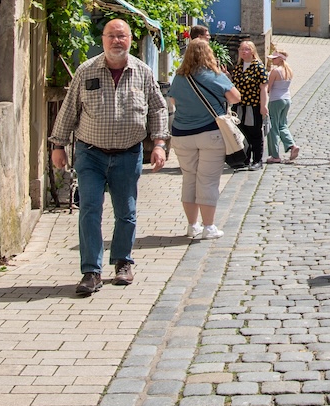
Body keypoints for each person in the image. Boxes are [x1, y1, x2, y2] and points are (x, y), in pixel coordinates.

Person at [49, 19, 168, 296]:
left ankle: (123, 262)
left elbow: (157, 109)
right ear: (102, 39)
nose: (117, 41)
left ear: (130, 39)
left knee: (126, 211)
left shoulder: (142, 72)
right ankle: (91, 271)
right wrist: (58, 145)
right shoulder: (86, 71)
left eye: (122, 36)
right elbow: (69, 110)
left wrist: (160, 143)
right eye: (111, 36)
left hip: (128, 154)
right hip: (91, 154)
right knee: (90, 209)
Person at [168, 38, 241, 239]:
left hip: (182, 134)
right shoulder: (215, 76)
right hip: (210, 133)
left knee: (189, 179)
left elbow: (172, 100)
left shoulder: (179, 78)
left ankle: (192, 225)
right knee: (208, 181)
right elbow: (236, 97)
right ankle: (208, 227)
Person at [232, 40, 269, 169]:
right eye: (241, 49)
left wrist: (264, 105)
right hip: (239, 105)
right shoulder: (238, 67)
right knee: (242, 132)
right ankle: (245, 159)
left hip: (253, 105)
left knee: (255, 133)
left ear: (252, 51)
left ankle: (257, 160)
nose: (243, 51)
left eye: (246, 49)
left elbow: (263, 88)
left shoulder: (258, 67)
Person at [267, 49, 300, 162]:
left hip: (276, 100)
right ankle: (292, 145)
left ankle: (275, 155)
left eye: (274, 58)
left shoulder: (275, 71)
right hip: (287, 99)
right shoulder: (289, 70)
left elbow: (268, 88)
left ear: (280, 59)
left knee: (273, 127)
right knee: (282, 125)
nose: (272, 60)